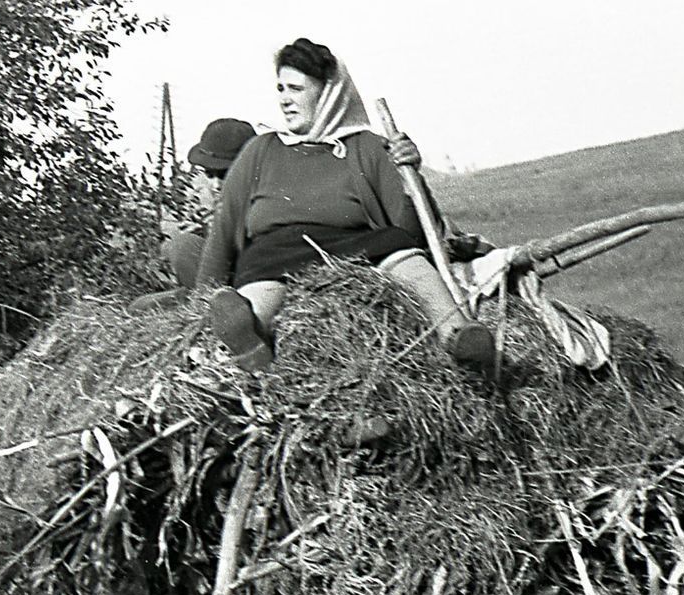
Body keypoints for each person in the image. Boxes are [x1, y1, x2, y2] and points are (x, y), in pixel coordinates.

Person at [196, 38, 495, 372]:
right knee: (249, 313)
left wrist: (410, 177)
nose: (284, 99)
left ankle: (459, 336)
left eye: (295, 88)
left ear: (328, 93)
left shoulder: (367, 147)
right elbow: (224, 229)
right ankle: (250, 346)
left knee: (406, 258)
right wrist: (203, 297)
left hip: (358, 248)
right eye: (280, 88)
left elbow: (411, 230)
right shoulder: (261, 150)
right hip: (275, 256)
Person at [160, 117, 260, 290]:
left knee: (182, 246)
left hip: (253, 288)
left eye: (224, 174)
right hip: (225, 284)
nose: (215, 185)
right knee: (181, 245)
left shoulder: (265, 202)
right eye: (209, 174)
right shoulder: (231, 203)